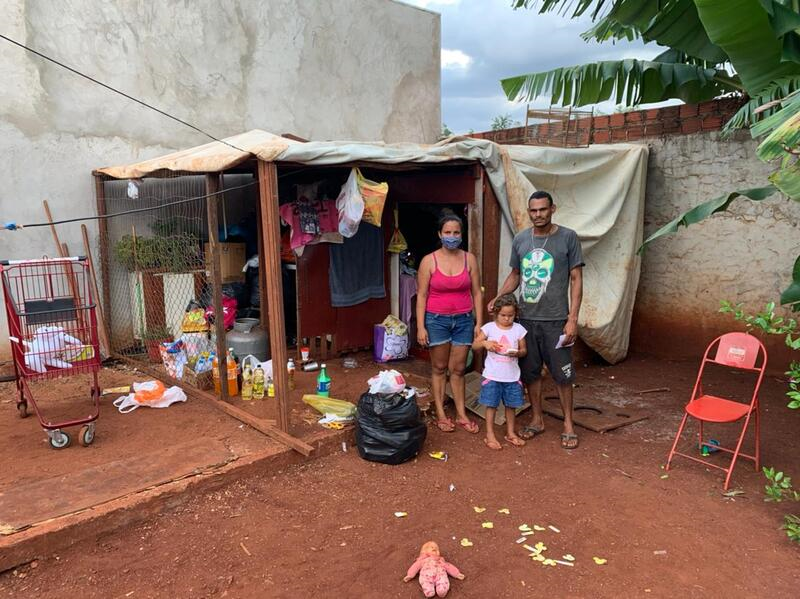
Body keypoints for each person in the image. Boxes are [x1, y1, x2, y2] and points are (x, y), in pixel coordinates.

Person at [489, 191, 584, 449]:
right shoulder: (521, 239)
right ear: (529, 212)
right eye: (533, 210)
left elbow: (576, 279)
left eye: (543, 209)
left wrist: (572, 318)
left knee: (563, 375)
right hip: (526, 321)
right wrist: (498, 298)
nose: (538, 215)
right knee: (530, 373)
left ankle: (568, 424)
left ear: (552, 209)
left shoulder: (568, 238)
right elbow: (516, 275)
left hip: (556, 320)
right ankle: (537, 419)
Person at [416, 212, 483, 433]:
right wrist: (420, 327)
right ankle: (441, 413)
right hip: (436, 320)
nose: (452, 236)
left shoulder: (469, 259)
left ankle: (461, 413)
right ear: (439, 234)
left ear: (461, 234)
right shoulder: (429, 261)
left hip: (464, 320)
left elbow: (477, 293)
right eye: (447, 232)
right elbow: (422, 296)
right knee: (439, 368)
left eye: (456, 232)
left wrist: (478, 323)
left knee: (459, 369)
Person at [472, 293, 528, 450]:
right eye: (503, 315)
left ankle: (510, 433)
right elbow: (474, 346)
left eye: (511, 315)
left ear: (515, 314)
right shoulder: (489, 328)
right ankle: (489, 434)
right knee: (491, 405)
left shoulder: (519, 329)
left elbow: (524, 350)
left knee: (511, 405)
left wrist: (517, 352)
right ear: (496, 313)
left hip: (512, 376)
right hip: (492, 376)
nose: (507, 318)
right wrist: (484, 343)